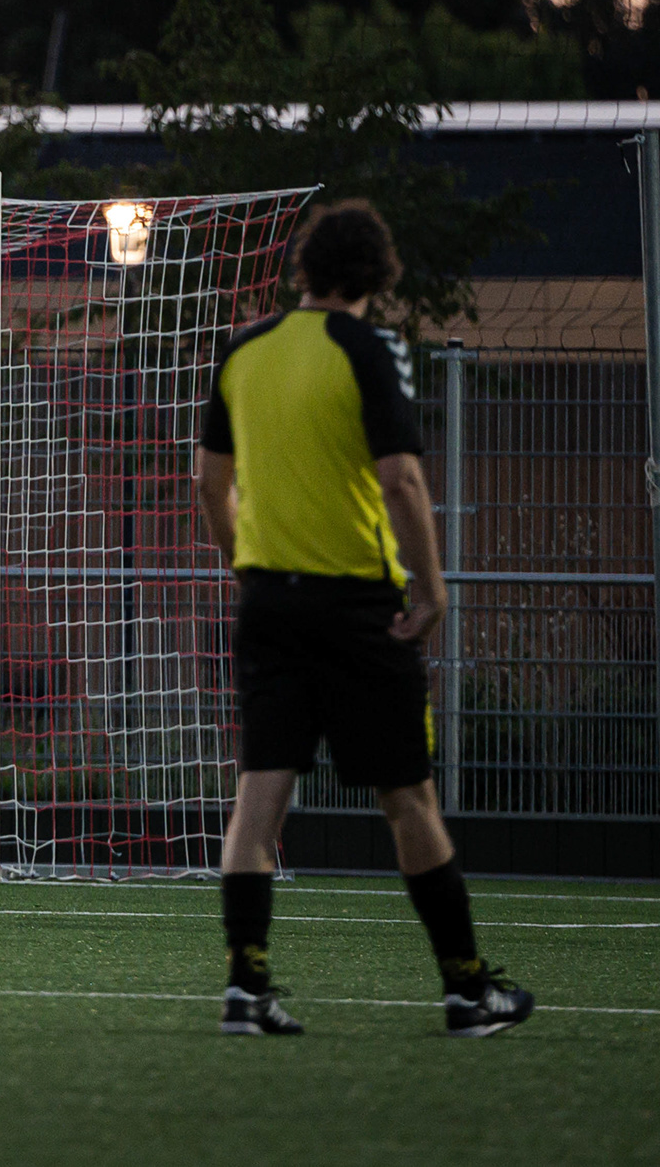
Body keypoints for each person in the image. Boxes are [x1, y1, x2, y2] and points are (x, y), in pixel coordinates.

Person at [196, 200, 533, 1037]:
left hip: (268, 602)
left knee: (260, 794)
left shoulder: (243, 350)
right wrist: (433, 590)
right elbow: (401, 479)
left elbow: (210, 480)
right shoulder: (369, 349)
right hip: (356, 607)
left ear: (305, 268)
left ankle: (245, 987)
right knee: (407, 797)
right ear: (378, 275)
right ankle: (465, 990)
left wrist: (246, 561)